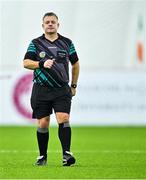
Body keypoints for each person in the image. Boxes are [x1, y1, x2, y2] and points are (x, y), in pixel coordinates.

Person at [23, 12, 79, 166]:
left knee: (64, 118)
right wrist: (41, 64)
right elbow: (26, 62)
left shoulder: (67, 43)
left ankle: (67, 155)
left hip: (61, 89)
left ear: (58, 25)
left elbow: (75, 64)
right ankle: (42, 156)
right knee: (43, 123)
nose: (50, 24)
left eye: (53, 22)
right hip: (41, 89)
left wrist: (73, 85)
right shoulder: (35, 43)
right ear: (43, 25)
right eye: (47, 22)